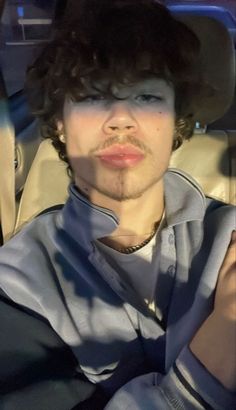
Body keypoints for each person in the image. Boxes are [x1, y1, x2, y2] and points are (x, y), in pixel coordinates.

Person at [0, 0, 235, 409]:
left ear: (176, 119)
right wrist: (212, 361)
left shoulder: (229, 234)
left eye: (146, 96)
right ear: (59, 122)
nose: (121, 118)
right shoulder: (17, 285)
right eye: (93, 97)